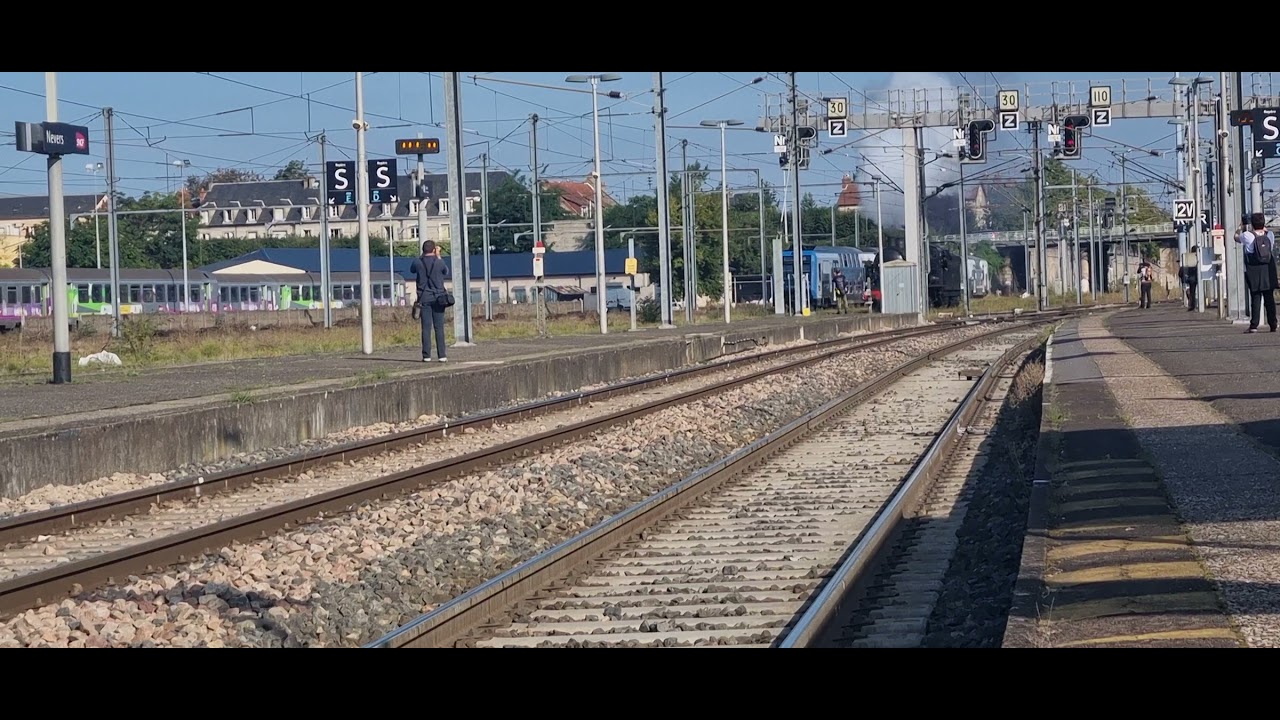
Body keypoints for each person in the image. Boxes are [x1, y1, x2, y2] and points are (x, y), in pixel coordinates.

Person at [1235, 212, 1278, 333]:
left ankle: (1254, 325)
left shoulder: (1247, 235)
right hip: (1268, 269)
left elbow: (1236, 238)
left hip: (1253, 270)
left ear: (1252, 224)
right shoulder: (1269, 234)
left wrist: (1240, 227)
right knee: (1269, 298)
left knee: (1256, 297)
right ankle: (1273, 324)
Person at [410, 240, 449, 361]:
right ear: (434, 250)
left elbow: (412, 270)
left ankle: (426, 356)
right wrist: (438, 256)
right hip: (438, 298)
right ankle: (442, 355)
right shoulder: (439, 262)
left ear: (423, 250)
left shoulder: (418, 262)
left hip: (424, 298)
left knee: (426, 328)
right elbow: (446, 272)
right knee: (439, 327)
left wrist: (422, 256)